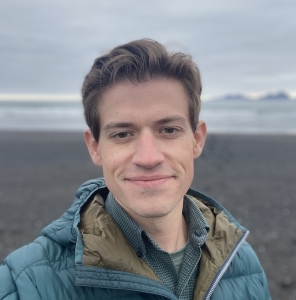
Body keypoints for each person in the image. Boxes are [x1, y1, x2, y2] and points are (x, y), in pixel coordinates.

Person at [0, 39, 271, 300]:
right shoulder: (25, 283)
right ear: (95, 147)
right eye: (122, 134)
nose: (148, 157)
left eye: (168, 130)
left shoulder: (240, 259)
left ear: (196, 140)